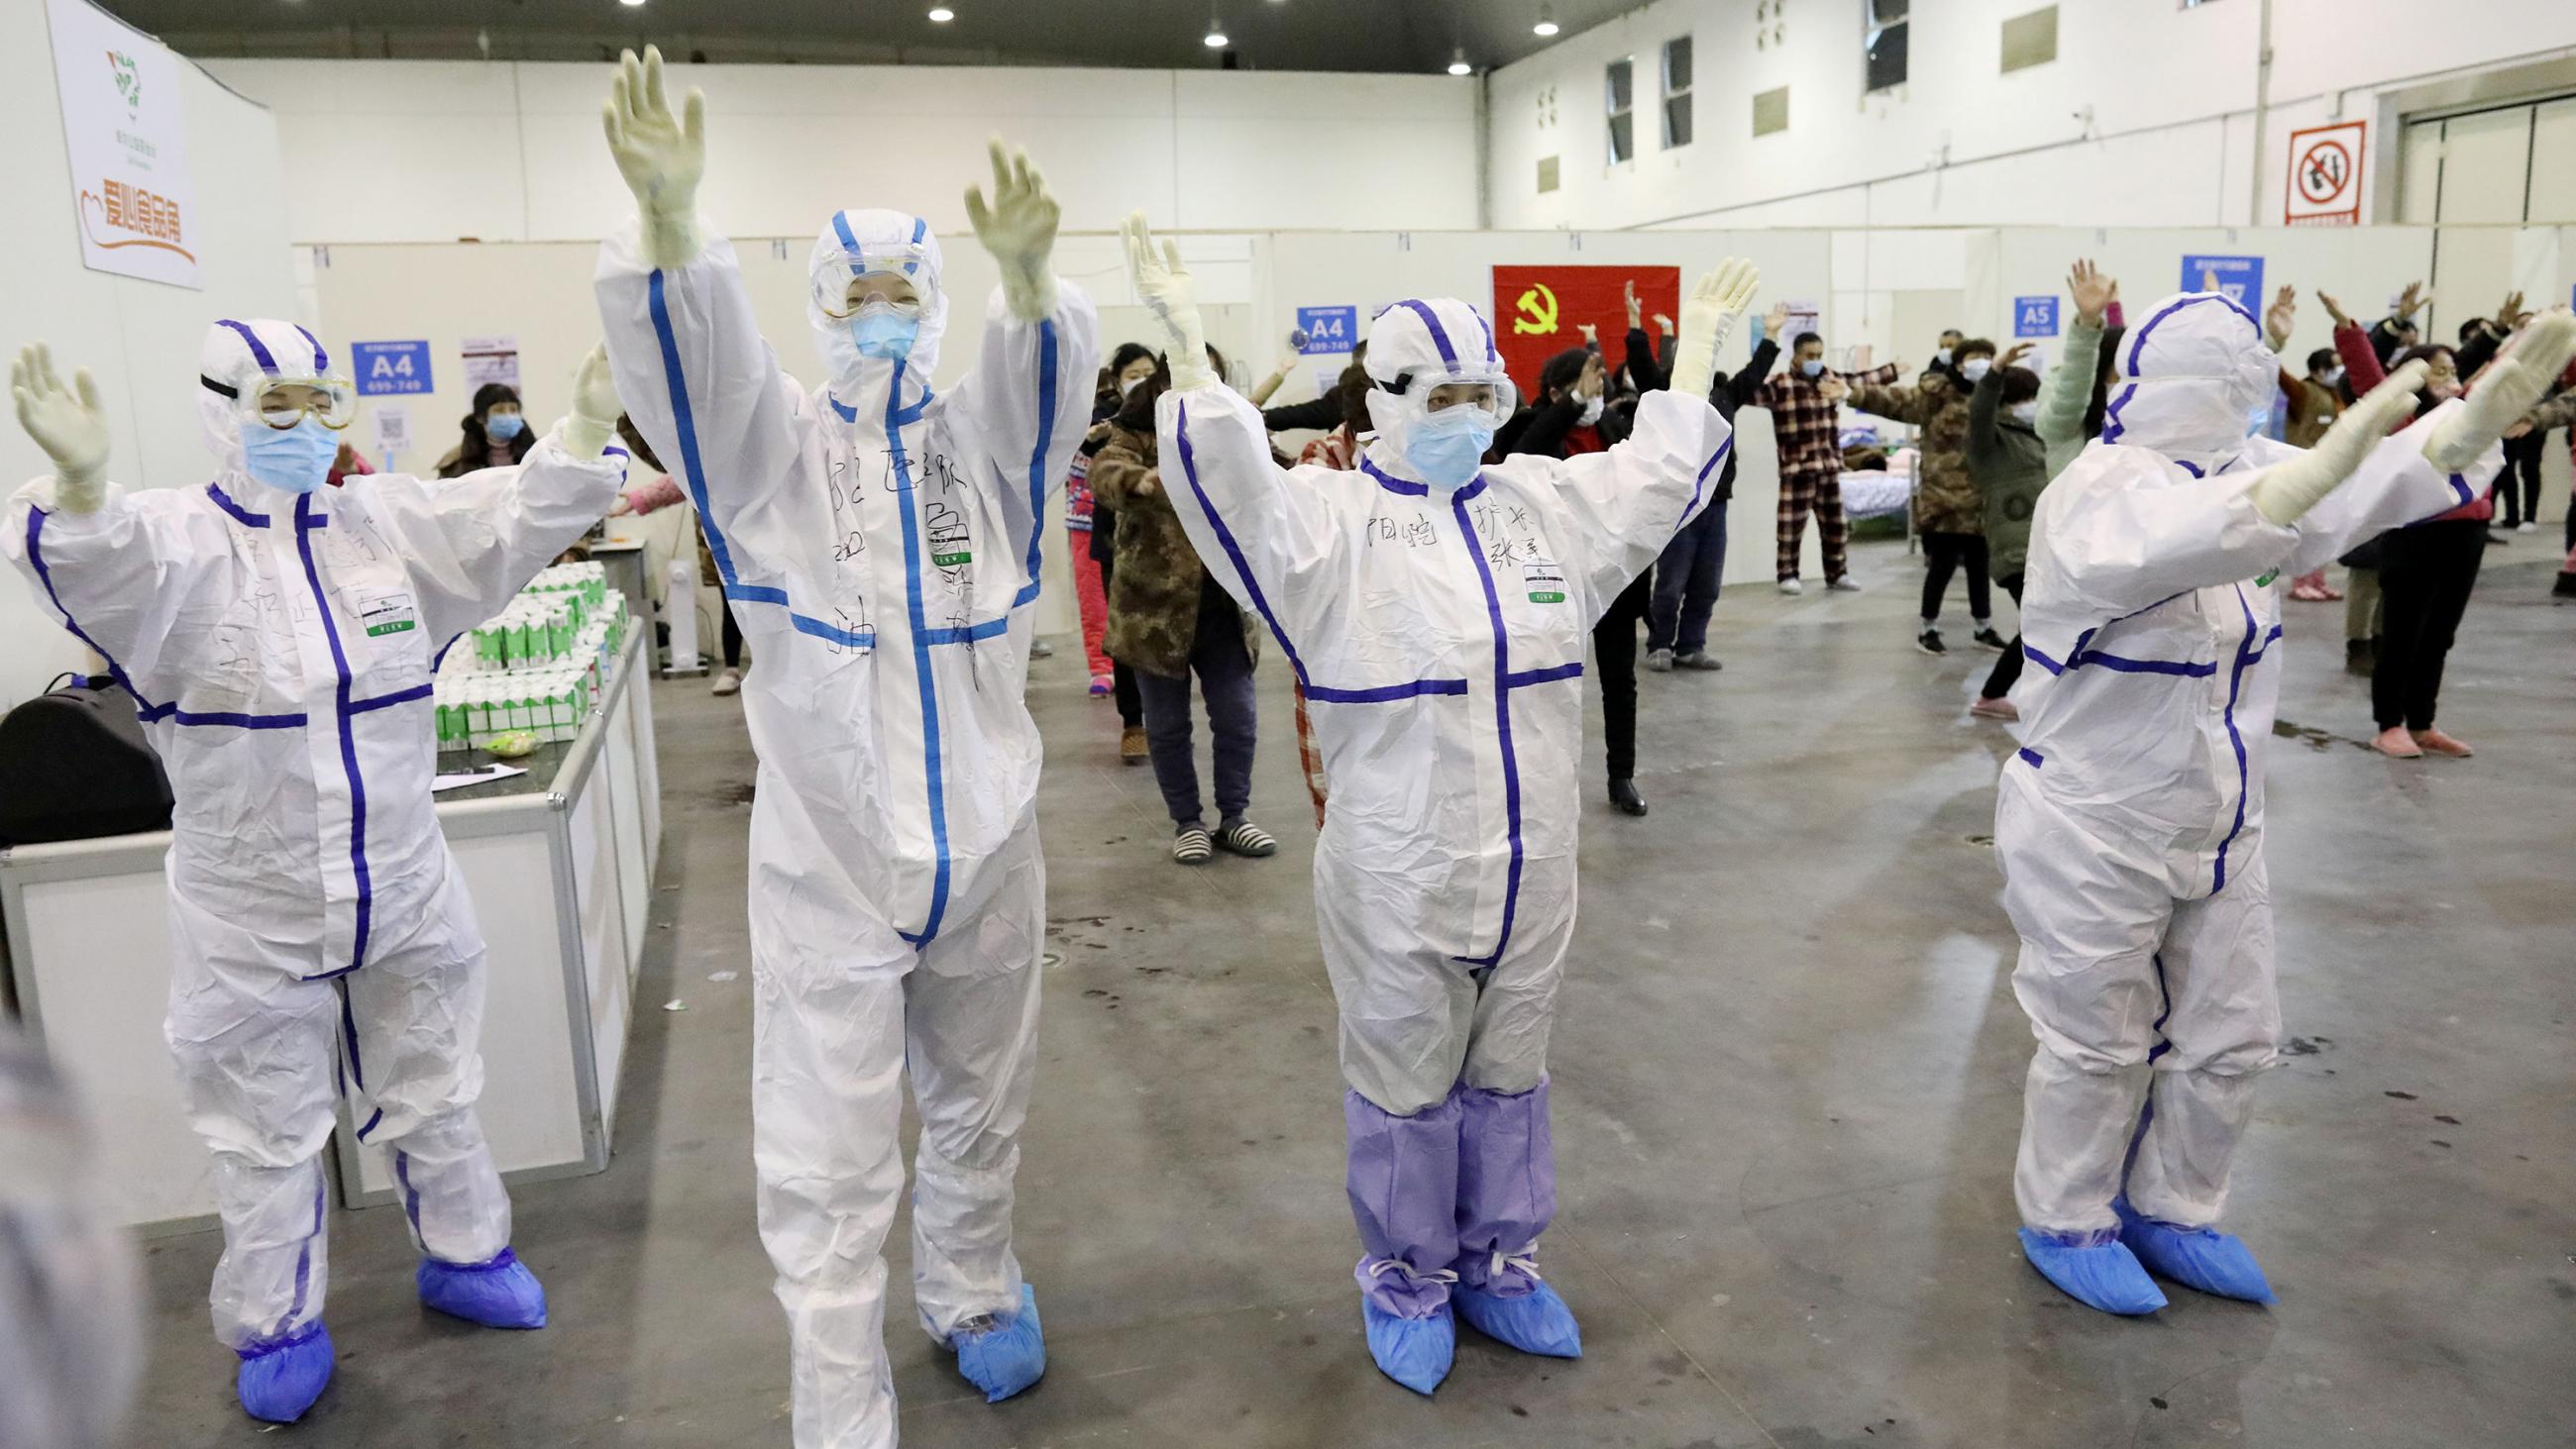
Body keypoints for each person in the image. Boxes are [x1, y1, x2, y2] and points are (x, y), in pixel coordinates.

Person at [1124, 208, 1755, 1394]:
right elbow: (1229, 495)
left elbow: (1656, 478)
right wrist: (1194, 349)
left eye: (1482, 391)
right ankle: (1408, 1274)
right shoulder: (1332, 525)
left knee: (1511, 1067)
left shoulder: (1538, 508)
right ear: (1384, 395)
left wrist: (1698, 357)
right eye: (1440, 394)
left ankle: (1501, 1262)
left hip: (1534, 867)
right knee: (1409, 1077)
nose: (1467, 415)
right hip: (1398, 870)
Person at [591, 49, 1097, 1447]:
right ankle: (835, 1392)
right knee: (826, 1142)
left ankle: (975, 1283)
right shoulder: (773, 457)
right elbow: (702, 380)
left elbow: (1047, 403)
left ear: (938, 307)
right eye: (856, 296)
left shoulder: (981, 451)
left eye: (907, 296)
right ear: (820, 307)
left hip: (992, 847)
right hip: (830, 859)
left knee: (985, 1094)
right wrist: (672, 236)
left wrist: (1037, 293)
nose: (882, 319)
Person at [4, 326, 627, 1421]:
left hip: (403, 877)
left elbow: (511, 521)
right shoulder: (173, 544)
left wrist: (575, 437)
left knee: (436, 1081)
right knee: (264, 1126)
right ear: (221, 410)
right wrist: (85, 487)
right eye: (272, 405)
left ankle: (468, 1253)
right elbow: (96, 569)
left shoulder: (382, 524)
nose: (301, 428)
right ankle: (277, 1320)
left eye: (317, 402)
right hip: (250, 903)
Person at [1997, 289, 2569, 1319]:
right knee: (2095, 1034)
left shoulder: (2246, 471)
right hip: (2093, 819)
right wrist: (2300, 479)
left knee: (2234, 1030)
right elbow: (2166, 545)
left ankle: (2173, 1201)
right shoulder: (2098, 489)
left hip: (2224, 816)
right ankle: (2066, 1213)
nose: (2239, 395)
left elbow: (2363, 488)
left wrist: (2474, 416)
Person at [1089, 348, 1277, 864]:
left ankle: (1234, 817)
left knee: (1238, 718)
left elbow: (1273, 467)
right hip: (1153, 611)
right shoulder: (1137, 428)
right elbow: (1106, 469)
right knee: (1168, 727)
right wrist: (1139, 480)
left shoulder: (1231, 425)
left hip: (1223, 607)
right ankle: (1188, 822)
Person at [1504, 346, 1653, 815]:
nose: (1596, 395)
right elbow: (1518, 456)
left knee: (1619, 680)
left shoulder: (1609, 427)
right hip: (1549, 579)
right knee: (1543, 684)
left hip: (1609, 578)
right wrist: (1570, 406)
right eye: (1586, 386)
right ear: (1555, 392)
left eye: (1600, 386)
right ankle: (1539, 785)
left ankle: (1621, 775)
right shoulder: (1530, 424)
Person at [1645, 301, 1784, 673]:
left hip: (1716, 504)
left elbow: (1755, 374)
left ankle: (1691, 645)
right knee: (1671, 584)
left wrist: (1771, 335)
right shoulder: (1673, 397)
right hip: (1679, 505)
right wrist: (1665, 335)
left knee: (1707, 585)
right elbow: (1655, 371)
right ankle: (1659, 644)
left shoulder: (1725, 395)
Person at [1850, 339, 2004, 654]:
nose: (1983, 363)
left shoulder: (1994, 394)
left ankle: (1983, 627)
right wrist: (1853, 393)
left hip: (1980, 499)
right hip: (1944, 499)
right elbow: (1895, 400)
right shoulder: (1936, 395)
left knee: (1979, 566)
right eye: (1976, 358)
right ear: (1960, 363)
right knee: (1941, 566)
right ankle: (1928, 628)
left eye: (1988, 357)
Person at [1746, 333, 1898, 594]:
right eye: (1810, 355)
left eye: (1819, 355)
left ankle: (1837, 573)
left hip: (1828, 466)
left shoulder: (1830, 381)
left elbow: (1859, 381)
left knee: (1836, 526)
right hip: (1797, 469)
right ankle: (1787, 575)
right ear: (1796, 355)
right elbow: (1747, 390)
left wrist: (1892, 370)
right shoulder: (1780, 386)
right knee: (1790, 527)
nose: (1815, 360)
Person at [609, 418, 745, 693]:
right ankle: (732, 667)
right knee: (732, 600)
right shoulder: (708, 437)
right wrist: (640, 499)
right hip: (719, 534)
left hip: (760, 533)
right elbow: (684, 477)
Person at [1963, 348, 2046, 719]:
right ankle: (1992, 694)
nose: (2031, 405)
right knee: (2041, 625)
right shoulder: (1990, 440)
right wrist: (1995, 371)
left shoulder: (2034, 435)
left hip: (2042, 547)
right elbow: (1980, 411)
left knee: (2042, 624)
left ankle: (1994, 694)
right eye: (2024, 398)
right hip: (2015, 550)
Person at [1091, 345, 1157, 756]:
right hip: (1115, 537)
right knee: (1125, 633)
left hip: (1167, 542)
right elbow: (1087, 454)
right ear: (1117, 376)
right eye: (1135, 371)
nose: (1143, 377)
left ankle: (1164, 719)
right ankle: (1133, 723)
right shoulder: (1101, 413)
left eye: (1149, 370)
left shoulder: (1167, 410)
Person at [435, 381, 535, 478]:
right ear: (480, 418)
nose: (508, 415)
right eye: (499, 410)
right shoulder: (457, 460)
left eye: (513, 410)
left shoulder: (536, 454)